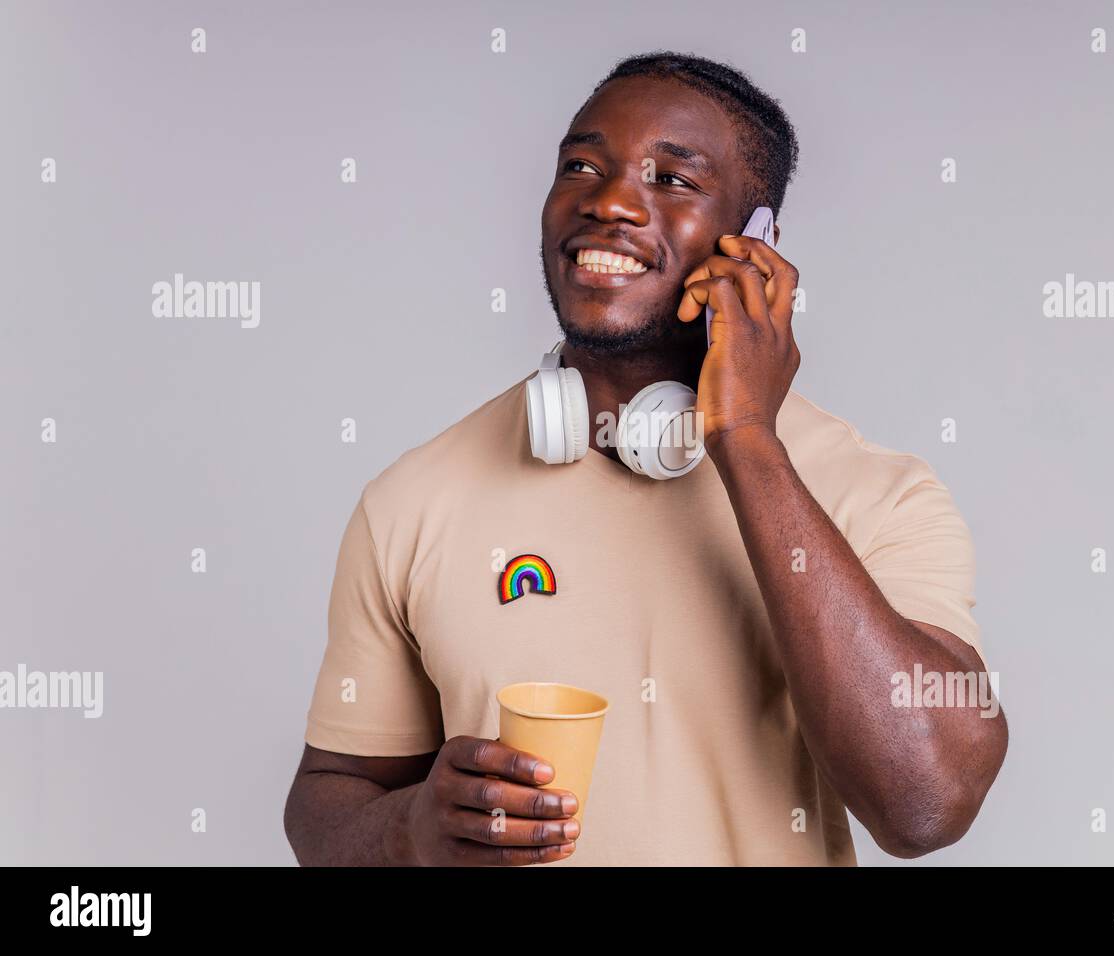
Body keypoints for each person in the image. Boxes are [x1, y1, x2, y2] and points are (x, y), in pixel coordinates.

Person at [283, 51, 1008, 867]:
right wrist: (411, 830)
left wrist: (745, 438)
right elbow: (328, 795)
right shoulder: (412, 501)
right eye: (582, 166)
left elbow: (927, 802)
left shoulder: (881, 496)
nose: (611, 201)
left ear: (757, 244)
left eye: (672, 179)